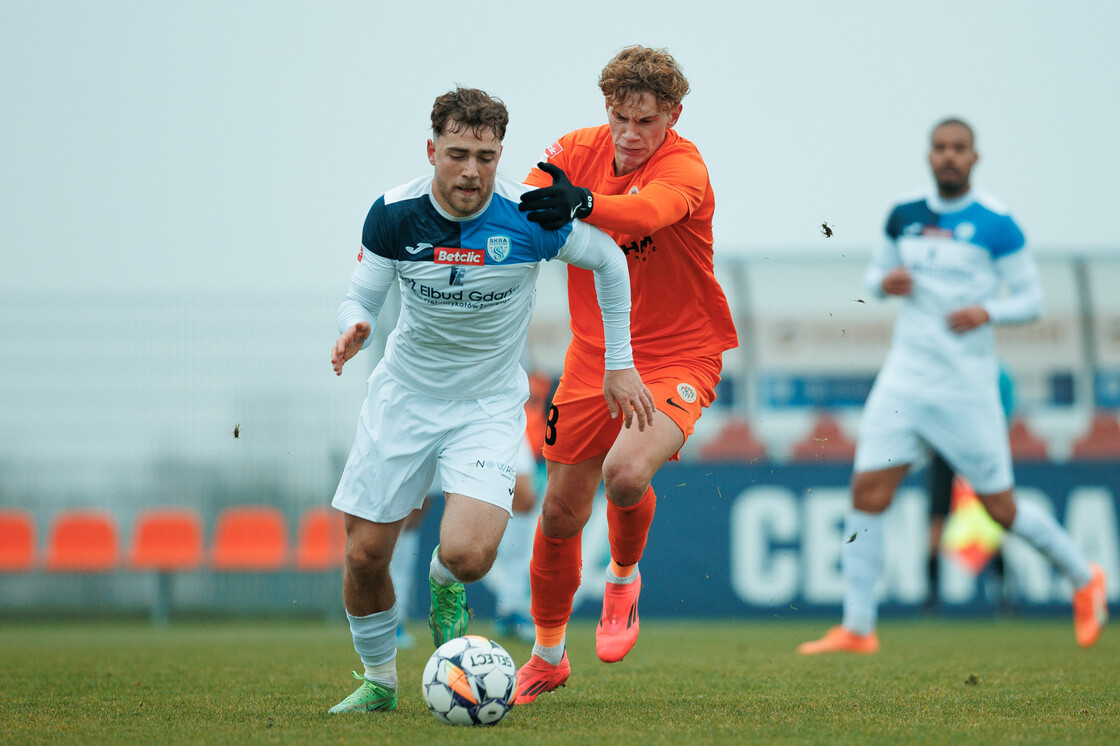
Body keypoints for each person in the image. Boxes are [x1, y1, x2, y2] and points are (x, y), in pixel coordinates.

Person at [325, 86, 655, 714]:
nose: (471, 171)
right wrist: (355, 326)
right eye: (456, 154)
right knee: (365, 554)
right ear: (432, 150)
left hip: (486, 407)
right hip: (404, 399)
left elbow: (610, 261)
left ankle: (446, 586)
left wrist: (620, 365)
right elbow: (360, 296)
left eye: (485, 155)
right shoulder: (393, 213)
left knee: (468, 555)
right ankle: (379, 681)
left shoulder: (529, 216)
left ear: (500, 153)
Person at [798, 117, 1108, 655]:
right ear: (928, 154)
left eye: (959, 149)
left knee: (1000, 509)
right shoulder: (905, 214)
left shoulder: (996, 224)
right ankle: (858, 627)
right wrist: (884, 282)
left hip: (966, 388)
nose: (948, 156)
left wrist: (986, 310)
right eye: (940, 147)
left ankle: (1085, 579)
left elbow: (1032, 300)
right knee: (866, 492)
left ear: (975, 157)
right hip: (904, 379)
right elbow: (876, 275)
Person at [511, 45, 739, 703]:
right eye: (621, 118)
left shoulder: (686, 167)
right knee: (558, 515)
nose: (632, 135)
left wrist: (580, 204)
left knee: (626, 472)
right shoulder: (576, 149)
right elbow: (530, 193)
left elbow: (643, 214)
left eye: (647, 121)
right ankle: (548, 656)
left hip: (679, 354)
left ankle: (622, 576)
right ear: (606, 109)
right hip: (592, 355)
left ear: (673, 113)